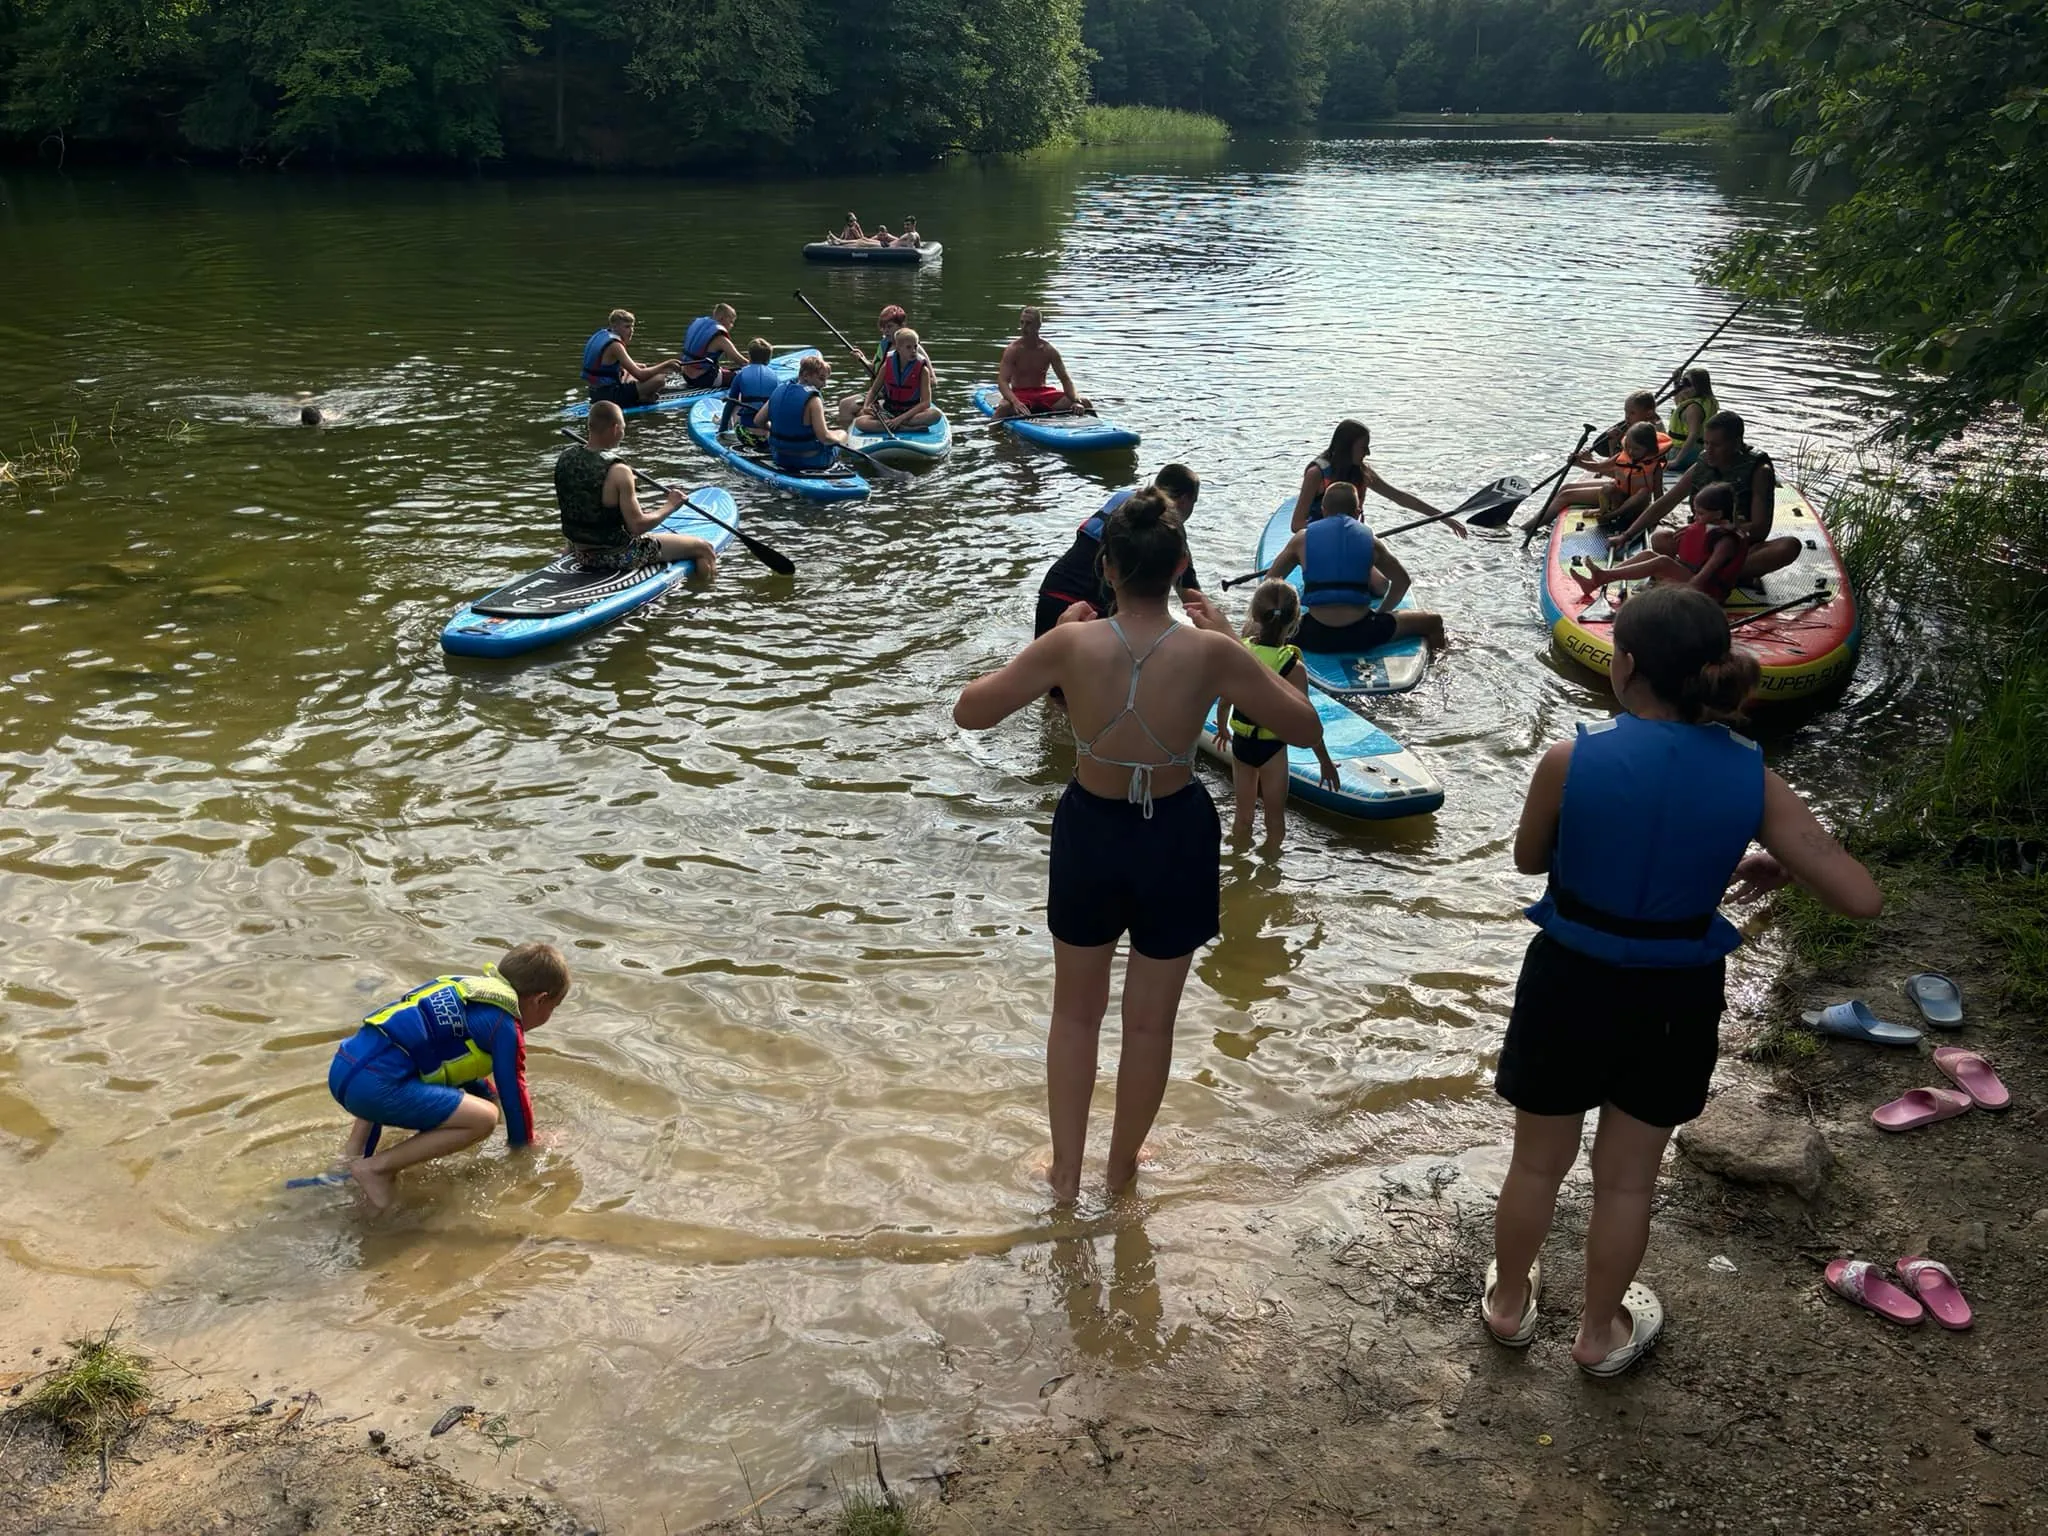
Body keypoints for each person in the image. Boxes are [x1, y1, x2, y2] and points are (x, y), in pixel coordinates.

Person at [1485, 586, 1879, 1375]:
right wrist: (1783, 861)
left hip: (1567, 979)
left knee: (1536, 1163)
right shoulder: (1753, 779)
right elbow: (1860, 897)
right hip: (1675, 995)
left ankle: (1507, 1306)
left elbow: (1529, 860)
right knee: (1628, 1182)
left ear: (1626, 664)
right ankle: (1598, 1335)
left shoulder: (1571, 758)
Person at [953, 490, 1327, 1203]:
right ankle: (1120, 1170)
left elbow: (970, 711)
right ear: (1181, 566)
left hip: (1092, 828)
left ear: (1107, 567)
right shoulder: (1212, 652)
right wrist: (1237, 644)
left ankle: (1067, 1174)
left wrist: (1050, 639)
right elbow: (1304, 728)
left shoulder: (1071, 644)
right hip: (1176, 832)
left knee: (1075, 1013)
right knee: (1150, 1025)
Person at [324, 943, 573, 1211]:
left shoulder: (465, 989)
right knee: (485, 1118)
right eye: (553, 1007)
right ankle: (377, 1169)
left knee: (394, 1063)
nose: (549, 1016)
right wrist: (525, 1146)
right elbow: (514, 1092)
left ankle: (352, 1157)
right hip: (373, 1088)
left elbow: (451, 1061)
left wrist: (488, 1094)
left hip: (345, 1066)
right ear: (540, 1000)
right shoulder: (505, 1026)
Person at [1214, 581, 1341, 851]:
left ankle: (1239, 866)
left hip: (1242, 744)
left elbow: (1225, 701)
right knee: (1274, 821)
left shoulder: (1241, 652)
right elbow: (1305, 722)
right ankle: (1270, 869)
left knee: (1243, 817)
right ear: (1295, 620)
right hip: (1272, 750)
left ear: (1254, 615)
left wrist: (1223, 729)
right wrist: (1325, 762)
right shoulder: (1292, 666)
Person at [1609, 411, 1798, 584]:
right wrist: (1627, 535)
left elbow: (1760, 529)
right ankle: (1713, 574)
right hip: (1702, 544)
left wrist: (1713, 530)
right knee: (1660, 539)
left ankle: (1705, 572)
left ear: (1736, 443)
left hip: (1737, 547)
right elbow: (1665, 503)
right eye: (1706, 443)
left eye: (1716, 445)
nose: (1709, 450)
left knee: (1789, 546)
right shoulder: (1702, 464)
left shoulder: (1760, 471)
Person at [1266, 481, 1449, 653]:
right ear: (1357, 512)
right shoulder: (1371, 541)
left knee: (1258, 627)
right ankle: (1439, 667)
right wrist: (1381, 613)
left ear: (1323, 510)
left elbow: (1270, 583)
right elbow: (1402, 581)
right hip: (1364, 633)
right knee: (1434, 621)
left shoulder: (1301, 539)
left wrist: (1288, 614)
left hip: (1312, 635)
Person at [1036, 465, 1204, 638]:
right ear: (1185, 499)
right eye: (1194, 502)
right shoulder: (1167, 526)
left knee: (1044, 655)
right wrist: (1215, 633)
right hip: (1092, 609)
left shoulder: (1129, 502)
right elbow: (1190, 594)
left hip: (1054, 590)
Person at [556, 401, 719, 577]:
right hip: (618, 555)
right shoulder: (619, 471)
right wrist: (671, 505)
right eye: (623, 428)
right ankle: (705, 591)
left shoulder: (565, 459)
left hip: (578, 549)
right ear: (616, 428)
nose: (623, 433)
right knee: (704, 548)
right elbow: (637, 526)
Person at [1288, 418, 1467, 538]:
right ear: (1346, 448)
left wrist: (1443, 517)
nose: (1368, 453)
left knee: (1381, 581)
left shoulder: (1363, 472)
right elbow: (1296, 525)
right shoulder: (1316, 474)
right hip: (1318, 539)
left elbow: (1399, 497)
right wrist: (1336, 532)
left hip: (1351, 537)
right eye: (1363, 447)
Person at [1572, 483, 1746, 606]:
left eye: (1700, 514)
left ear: (1718, 514)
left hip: (1707, 592)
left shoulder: (1726, 541)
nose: (1696, 518)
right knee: (1648, 555)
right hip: (1693, 579)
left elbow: (1704, 575)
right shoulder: (1712, 527)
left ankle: (1603, 576)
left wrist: (1677, 591)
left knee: (1662, 562)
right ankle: (1595, 581)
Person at [1533, 421, 1667, 532]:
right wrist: (1579, 463)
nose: (1631, 452)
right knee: (1608, 487)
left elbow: (1659, 494)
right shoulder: (1622, 456)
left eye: (1636, 449)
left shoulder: (1655, 467)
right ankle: (1604, 512)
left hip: (1637, 506)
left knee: (1643, 492)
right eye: (1629, 447)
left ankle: (1612, 515)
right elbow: (1599, 467)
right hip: (1618, 500)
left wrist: (1657, 517)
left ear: (1649, 449)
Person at [757, 353, 849, 473]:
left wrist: (775, 429)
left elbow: (758, 421)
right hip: (810, 461)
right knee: (841, 433)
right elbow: (824, 438)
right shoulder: (814, 399)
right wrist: (840, 437)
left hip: (780, 458)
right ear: (806, 375)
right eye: (821, 378)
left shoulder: (778, 390)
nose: (824, 384)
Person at [994, 306, 1091, 418]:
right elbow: (1003, 381)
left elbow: (1065, 379)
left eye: (1028, 323)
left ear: (1038, 325)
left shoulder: (1049, 350)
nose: (1024, 327)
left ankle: (1098, 427)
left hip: (1043, 394)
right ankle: (992, 429)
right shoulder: (1013, 350)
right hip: (1020, 394)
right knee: (1004, 408)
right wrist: (1015, 402)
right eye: (1022, 322)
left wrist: (1076, 401)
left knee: (1085, 402)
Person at [580, 308, 680, 408]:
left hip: (595, 392)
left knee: (641, 366)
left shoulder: (602, 334)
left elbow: (607, 366)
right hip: (609, 396)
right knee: (659, 379)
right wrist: (667, 364)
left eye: (632, 327)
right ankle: (643, 398)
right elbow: (641, 375)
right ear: (614, 326)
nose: (631, 331)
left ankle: (641, 393)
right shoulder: (615, 345)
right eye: (627, 327)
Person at [855, 326, 940, 434]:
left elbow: (926, 403)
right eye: (908, 347)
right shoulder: (887, 366)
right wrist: (866, 406)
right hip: (889, 412)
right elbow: (874, 390)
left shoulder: (923, 370)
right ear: (898, 348)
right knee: (860, 422)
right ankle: (905, 428)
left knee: (935, 415)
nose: (913, 351)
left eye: (915, 346)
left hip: (910, 415)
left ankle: (893, 425)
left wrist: (899, 419)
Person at [837, 305, 908, 425]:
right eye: (883, 327)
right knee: (844, 405)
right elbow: (874, 372)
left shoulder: (912, 347)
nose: (885, 331)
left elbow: (931, 379)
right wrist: (862, 360)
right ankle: (847, 434)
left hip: (897, 398)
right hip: (880, 394)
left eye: (890, 327)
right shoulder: (884, 345)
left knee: (861, 413)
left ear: (902, 326)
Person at [719, 338, 783, 439]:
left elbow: (730, 404)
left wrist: (722, 430)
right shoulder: (776, 378)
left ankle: (722, 424)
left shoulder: (741, 375)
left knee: (736, 403)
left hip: (746, 434)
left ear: (749, 357)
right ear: (768, 359)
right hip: (769, 435)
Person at [679, 303, 744, 391]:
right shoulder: (721, 339)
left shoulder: (699, 325)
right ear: (722, 319)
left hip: (686, 375)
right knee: (742, 378)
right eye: (731, 322)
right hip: (703, 379)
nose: (732, 325)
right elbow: (742, 362)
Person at [1664, 368, 1718, 470]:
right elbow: (1679, 402)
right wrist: (1676, 382)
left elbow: (1693, 435)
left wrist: (1676, 461)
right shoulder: (1706, 401)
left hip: (1682, 452)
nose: (1684, 388)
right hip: (1695, 450)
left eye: (1688, 384)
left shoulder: (1694, 408)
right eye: (1683, 383)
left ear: (1699, 386)